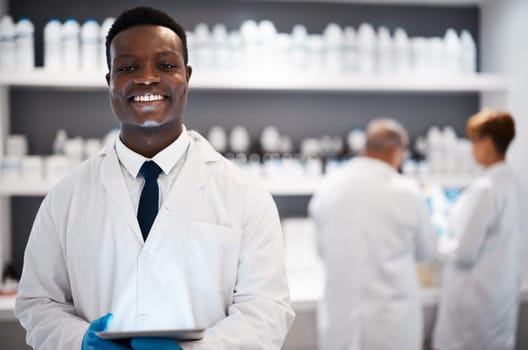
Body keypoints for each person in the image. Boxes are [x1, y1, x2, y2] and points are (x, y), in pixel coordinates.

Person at [15, 6, 294, 350]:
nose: (147, 78)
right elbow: (37, 304)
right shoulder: (66, 197)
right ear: (110, 81)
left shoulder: (245, 195)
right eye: (127, 67)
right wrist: (80, 342)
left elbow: (266, 310)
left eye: (165, 65)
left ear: (187, 76)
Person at [309, 118, 436, 350]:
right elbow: (426, 252)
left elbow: (320, 251)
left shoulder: (328, 186)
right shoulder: (407, 192)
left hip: (341, 325)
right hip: (390, 327)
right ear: (395, 150)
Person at [432, 109, 525, 350]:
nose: (472, 148)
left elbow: (463, 253)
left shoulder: (485, 189)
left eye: (474, 141)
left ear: (488, 143)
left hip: (475, 310)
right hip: (497, 300)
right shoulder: (509, 182)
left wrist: (440, 237)